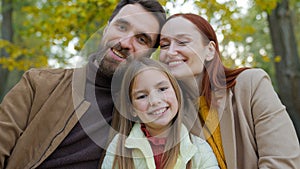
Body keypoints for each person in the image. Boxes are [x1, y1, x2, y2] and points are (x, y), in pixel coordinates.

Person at [0, 0, 166, 168]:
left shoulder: (143, 114)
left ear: (149, 55)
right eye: (122, 27)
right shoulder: (39, 83)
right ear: (107, 29)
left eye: (141, 39)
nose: (124, 43)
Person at [159, 13, 300, 169]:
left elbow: (282, 162)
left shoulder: (252, 84)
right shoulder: (169, 112)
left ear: (210, 51)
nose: (171, 51)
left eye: (182, 42)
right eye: (164, 45)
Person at [101, 57, 219, 169]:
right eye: (142, 96)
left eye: (162, 89)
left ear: (176, 92)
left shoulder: (200, 150)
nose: (155, 101)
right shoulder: (118, 147)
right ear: (132, 109)